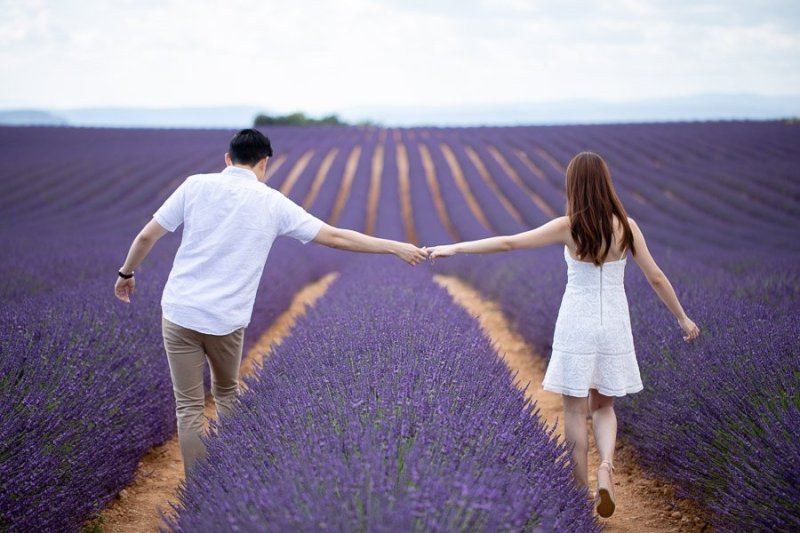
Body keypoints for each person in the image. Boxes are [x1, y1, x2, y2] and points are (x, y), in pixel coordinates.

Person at [114, 128, 428, 477]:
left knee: (188, 408)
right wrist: (394, 246)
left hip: (180, 311)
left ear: (227, 159)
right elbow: (335, 236)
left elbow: (147, 235)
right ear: (264, 163)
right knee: (227, 395)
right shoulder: (272, 202)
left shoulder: (195, 185)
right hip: (226, 318)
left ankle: (196, 488)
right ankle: (227, 479)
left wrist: (126, 273)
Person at [428, 151, 699, 518]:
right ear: (605, 182)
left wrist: (454, 248)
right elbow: (656, 276)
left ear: (573, 185)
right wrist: (682, 318)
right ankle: (606, 467)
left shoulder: (568, 226)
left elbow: (509, 243)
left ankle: (580, 491)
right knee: (604, 405)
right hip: (615, 325)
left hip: (577, 323)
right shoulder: (627, 226)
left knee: (574, 409)